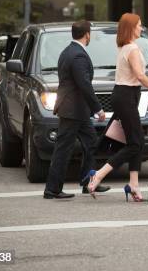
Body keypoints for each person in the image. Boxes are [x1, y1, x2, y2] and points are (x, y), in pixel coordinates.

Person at [88, 13, 148, 202]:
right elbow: (139, 75)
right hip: (126, 96)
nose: (141, 28)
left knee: (135, 141)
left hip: (124, 96)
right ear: (131, 28)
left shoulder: (123, 47)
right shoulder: (131, 49)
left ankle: (134, 185)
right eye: (139, 25)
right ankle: (98, 174)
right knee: (136, 143)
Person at [44, 21, 109, 199]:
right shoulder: (78, 56)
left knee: (92, 144)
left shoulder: (67, 52)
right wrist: (98, 108)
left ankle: (88, 182)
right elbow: (84, 84)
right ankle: (52, 189)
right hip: (73, 110)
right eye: (90, 34)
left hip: (76, 110)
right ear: (87, 34)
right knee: (63, 149)